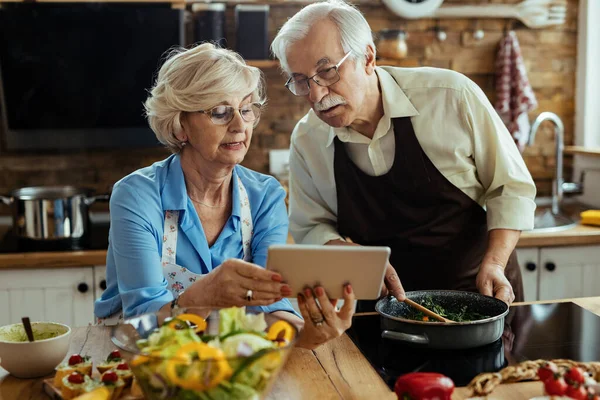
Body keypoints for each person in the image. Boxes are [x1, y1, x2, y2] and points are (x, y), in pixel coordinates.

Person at [271, 0, 536, 311]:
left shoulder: (450, 97)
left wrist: (494, 264)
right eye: (301, 81)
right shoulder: (307, 139)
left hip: (479, 298)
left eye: (327, 71)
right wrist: (347, 255)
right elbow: (311, 225)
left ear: (367, 58)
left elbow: (510, 188)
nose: (315, 95)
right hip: (383, 310)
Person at [94, 43, 355, 349]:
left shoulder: (265, 196)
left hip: (227, 356)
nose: (239, 125)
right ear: (181, 127)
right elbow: (143, 318)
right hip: (141, 357)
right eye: (220, 112)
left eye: (246, 110)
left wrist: (307, 332)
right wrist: (204, 295)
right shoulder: (138, 195)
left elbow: (269, 309)